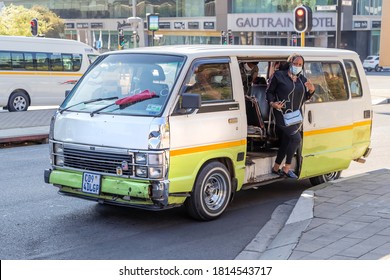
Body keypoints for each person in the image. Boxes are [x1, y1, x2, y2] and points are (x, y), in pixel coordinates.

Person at [266, 53, 315, 179]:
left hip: (296, 116)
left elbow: (304, 98)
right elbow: (269, 92)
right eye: (295, 64)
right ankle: (287, 168)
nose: (297, 66)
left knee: (287, 141)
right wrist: (273, 103)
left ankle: (276, 167)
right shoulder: (279, 76)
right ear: (290, 63)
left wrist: (311, 91)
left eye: (300, 65)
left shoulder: (302, 80)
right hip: (281, 114)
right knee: (296, 139)